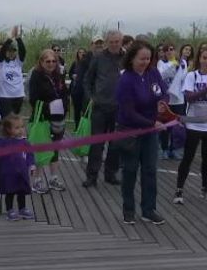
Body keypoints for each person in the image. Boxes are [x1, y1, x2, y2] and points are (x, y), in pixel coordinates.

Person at [116, 40, 169, 226]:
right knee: (130, 170)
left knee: (150, 170)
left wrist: (163, 102)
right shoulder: (126, 80)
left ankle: (149, 210)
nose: (145, 62)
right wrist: (151, 123)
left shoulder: (153, 72)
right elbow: (128, 112)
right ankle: (128, 210)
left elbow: (164, 92)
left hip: (150, 131)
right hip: (131, 131)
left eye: (148, 58)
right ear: (131, 58)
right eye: (142, 59)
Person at [173, 48, 207, 205]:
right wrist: (205, 89)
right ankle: (179, 189)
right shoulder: (192, 76)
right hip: (194, 123)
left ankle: (205, 187)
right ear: (200, 59)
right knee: (188, 157)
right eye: (204, 58)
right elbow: (189, 98)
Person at [82, 30, 125, 187]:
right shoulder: (98, 58)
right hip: (100, 107)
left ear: (121, 42)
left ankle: (110, 174)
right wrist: (91, 97)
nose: (114, 44)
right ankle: (92, 176)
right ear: (107, 42)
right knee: (97, 144)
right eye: (111, 42)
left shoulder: (127, 58)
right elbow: (87, 80)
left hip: (119, 108)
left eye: (117, 41)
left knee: (115, 144)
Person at [28, 49, 70, 193]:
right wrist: (50, 106)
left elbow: (65, 93)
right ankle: (37, 180)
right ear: (41, 62)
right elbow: (33, 99)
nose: (51, 64)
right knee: (40, 149)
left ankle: (53, 178)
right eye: (48, 61)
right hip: (43, 118)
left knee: (55, 148)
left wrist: (64, 106)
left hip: (58, 117)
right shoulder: (36, 76)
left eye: (53, 61)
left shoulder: (58, 75)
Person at [0, 114, 37, 221]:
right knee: (10, 191)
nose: (21, 130)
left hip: (21, 172)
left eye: (22, 127)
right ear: (8, 129)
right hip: (8, 173)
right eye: (17, 128)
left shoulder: (24, 142)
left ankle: (22, 208)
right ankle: (10, 210)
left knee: (22, 191)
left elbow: (30, 155)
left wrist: (32, 165)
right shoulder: (2, 142)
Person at [0, 26, 28, 116]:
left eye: (13, 51)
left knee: (15, 119)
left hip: (18, 95)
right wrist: (10, 38)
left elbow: (23, 51)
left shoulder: (18, 62)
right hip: (5, 96)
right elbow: (2, 51)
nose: (11, 53)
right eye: (9, 51)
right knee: (7, 120)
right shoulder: (1, 63)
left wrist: (18, 38)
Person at [69, 47, 90, 122]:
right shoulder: (75, 63)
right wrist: (73, 76)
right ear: (77, 54)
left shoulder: (88, 64)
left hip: (85, 90)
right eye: (80, 52)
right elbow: (70, 73)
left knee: (85, 110)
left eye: (83, 53)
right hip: (76, 90)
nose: (81, 54)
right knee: (77, 110)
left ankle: (84, 126)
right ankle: (77, 125)